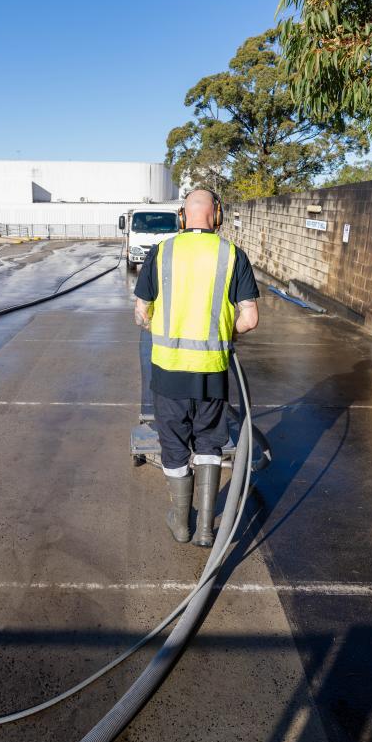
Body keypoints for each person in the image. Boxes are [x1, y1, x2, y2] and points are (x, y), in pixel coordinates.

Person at [132, 188, 259, 546]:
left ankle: (181, 523)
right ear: (216, 214)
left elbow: (141, 312)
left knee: (173, 446)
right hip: (212, 371)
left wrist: (160, 325)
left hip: (169, 371)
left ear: (182, 216)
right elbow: (249, 320)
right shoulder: (233, 255)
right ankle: (205, 527)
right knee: (209, 443)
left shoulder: (161, 253)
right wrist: (219, 330)